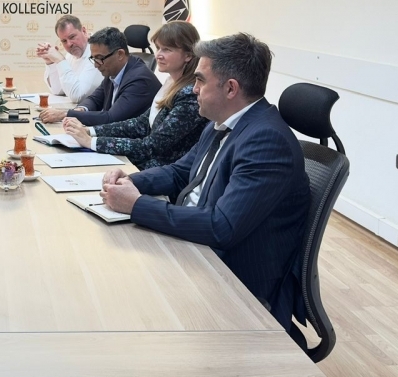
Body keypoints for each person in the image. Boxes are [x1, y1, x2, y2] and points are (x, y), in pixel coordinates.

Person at [98, 32, 310, 329]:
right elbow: (179, 172)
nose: (193, 89)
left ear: (231, 88)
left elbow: (221, 227)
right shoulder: (221, 121)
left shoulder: (266, 140)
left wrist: (136, 206)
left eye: (200, 80)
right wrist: (131, 181)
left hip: (230, 278)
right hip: (196, 247)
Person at [62, 21, 207, 170]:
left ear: (188, 55)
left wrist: (91, 142)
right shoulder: (171, 82)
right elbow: (141, 124)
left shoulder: (190, 94)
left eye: (167, 50)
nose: (158, 55)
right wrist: (91, 131)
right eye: (158, 48)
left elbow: (151, 146)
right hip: (149, 164)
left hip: (163, 171)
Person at [39, 26, 161, 126]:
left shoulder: (139, 79)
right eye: (94, 58)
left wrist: (65, 114)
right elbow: (94, 99)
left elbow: (111, 118)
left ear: (120, 54)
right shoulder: (113, 70)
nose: (96, 65)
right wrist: (80, 110)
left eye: (99, 58)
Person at [37, 14, 103, 103]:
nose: (69, 44)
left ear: (84, 31)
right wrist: (51, 62)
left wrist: (60, 60)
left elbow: (78, 96)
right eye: (64, 41)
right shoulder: (72, 52)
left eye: (72, 37)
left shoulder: (97, 52)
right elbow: (58, 90)